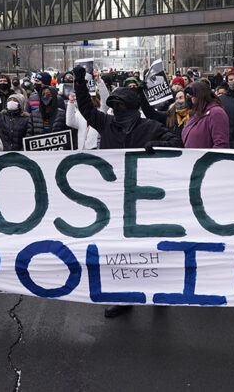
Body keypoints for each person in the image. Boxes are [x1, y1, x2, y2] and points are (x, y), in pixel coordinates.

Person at [72, 64, 182, 318]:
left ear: (132, 109)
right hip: (115, 197)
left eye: (122, 107)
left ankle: (159, 295)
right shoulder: (107, 123)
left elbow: (177, 142)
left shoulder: (149, 127)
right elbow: (87, 109)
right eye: (114, 107)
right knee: (120, 251)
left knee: (152, 249)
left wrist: (156, 144)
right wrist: (80, 81)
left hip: (146, 199)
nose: (117, 111)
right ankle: (124, 297)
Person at [180, 81, 229, 149]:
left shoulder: (216, 113)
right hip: (191, 158)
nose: (189, 99)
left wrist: (206, 159)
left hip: (206, 159)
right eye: (187, 96)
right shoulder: (194, 113)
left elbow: (221, 145)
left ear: (200, 96)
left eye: (191, 96)